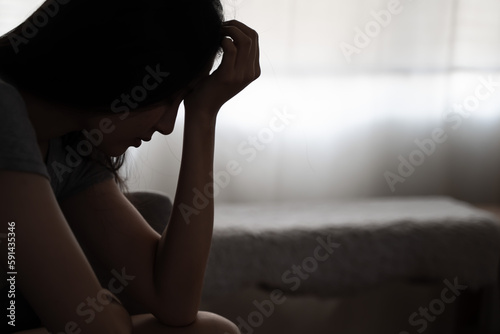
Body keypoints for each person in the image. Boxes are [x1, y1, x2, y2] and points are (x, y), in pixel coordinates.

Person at [0, 0, 260, 332]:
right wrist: (109, 310)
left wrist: (203, 116)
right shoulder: (4, 109)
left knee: (215, 330)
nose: (167, 127)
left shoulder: (69, 145)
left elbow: (175, 304)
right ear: (119, 68)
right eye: (168, 99)